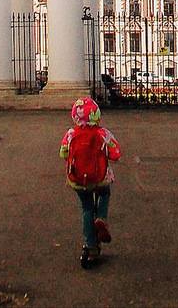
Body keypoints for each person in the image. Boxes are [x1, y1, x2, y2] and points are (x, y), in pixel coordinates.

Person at [60, 96, 122, 268]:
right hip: (99, 177)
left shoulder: (70, 134)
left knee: (87, 208)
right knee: (104, 193)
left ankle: (90, 245)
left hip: (78, 180)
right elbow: (116, 154)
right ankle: (101, 217)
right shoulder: (103, 133)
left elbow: (63, 153)